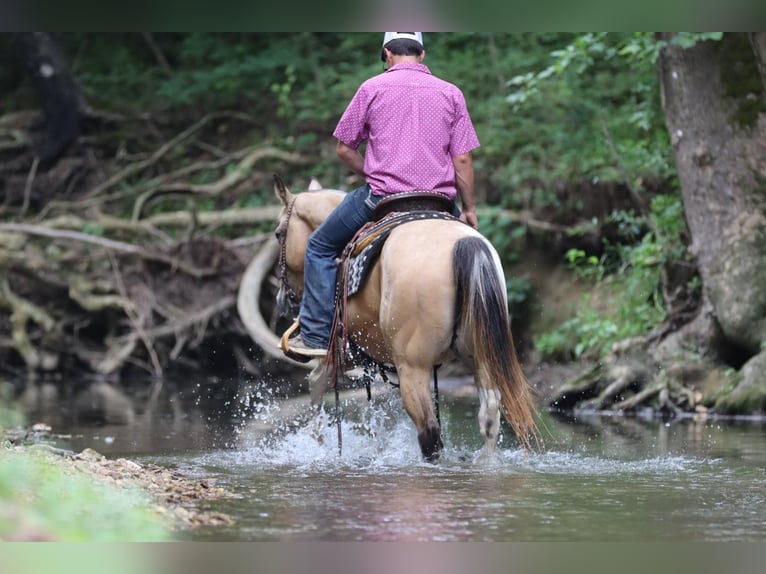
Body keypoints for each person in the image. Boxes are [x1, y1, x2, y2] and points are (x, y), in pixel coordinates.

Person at [287, 31, 481, 359]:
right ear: (422, 54)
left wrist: (373, 171)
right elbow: (462, 158)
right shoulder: (451, 93)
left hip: (383, 197)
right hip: (439, 203)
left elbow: (344, 149)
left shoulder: (372, 88)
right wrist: (470, 207)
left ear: (387, 53)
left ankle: (318, 335)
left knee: (319, 247)